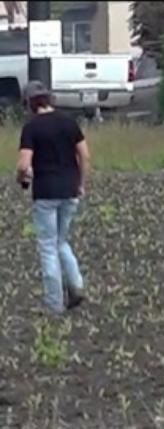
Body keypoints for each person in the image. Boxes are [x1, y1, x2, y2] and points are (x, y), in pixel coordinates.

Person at [16, 81, 90, 314]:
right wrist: (81, 184)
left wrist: (22, 179)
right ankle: (76, 285)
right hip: (70, 190)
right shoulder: (69, 122)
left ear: (29, 103)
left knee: (48, 246)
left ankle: (53, 304)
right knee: (61, 241)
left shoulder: (31, 128)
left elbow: (24, 164)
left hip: (46, 192)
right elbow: (85, 155)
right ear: (49, 99)